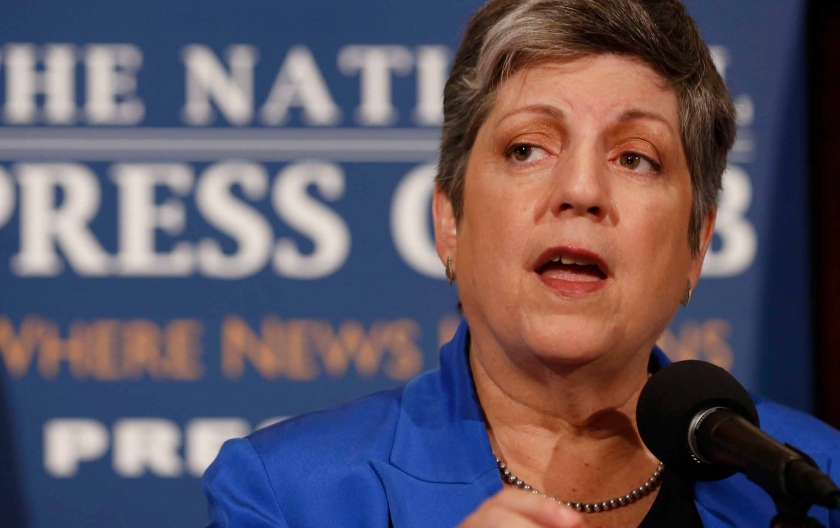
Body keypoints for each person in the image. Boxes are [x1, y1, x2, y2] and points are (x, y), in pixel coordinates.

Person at [203, 0, 840, 526]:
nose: (582, 190)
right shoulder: (287, 494)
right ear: (449, 220)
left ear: (696, 247)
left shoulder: (814, 479)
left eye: (635, 157)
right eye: (528, 148)